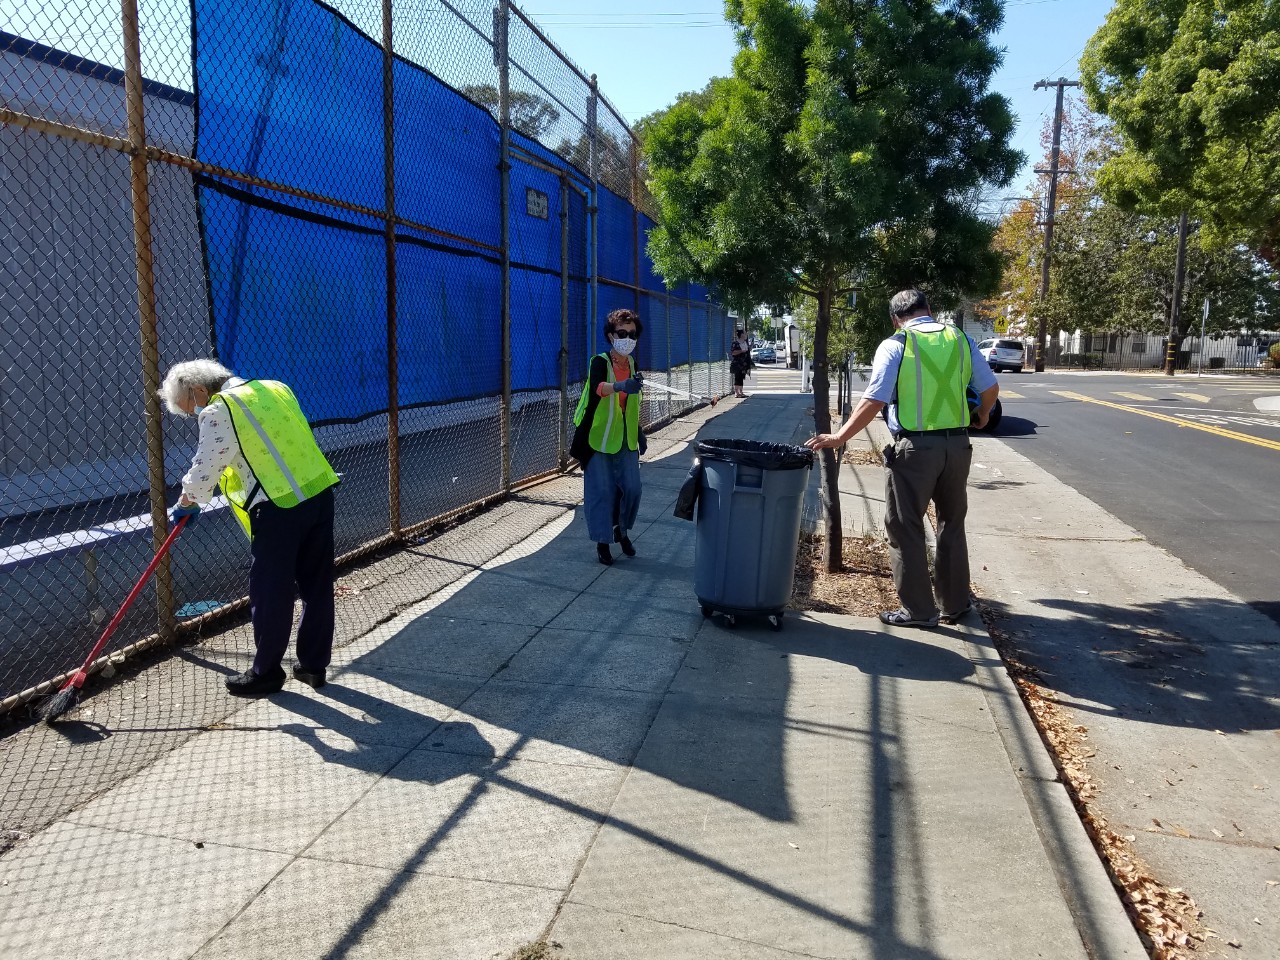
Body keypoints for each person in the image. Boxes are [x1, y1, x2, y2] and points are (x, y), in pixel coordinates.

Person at [805, 289, 999, 628]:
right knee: (951, 525)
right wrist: (981, 415)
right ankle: (955, 605)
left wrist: (839, 436)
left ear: (896, 318)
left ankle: (920, 612)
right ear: (930, 309)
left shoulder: (897, 343)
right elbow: (989, 388)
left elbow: (874, 399)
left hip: (915, 449)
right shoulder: (961, 340)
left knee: (904, 526)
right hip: (958, 446)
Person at [160, 359, 340, 696]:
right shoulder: (275, 387)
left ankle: (267, 672)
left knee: (271, 590)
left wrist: (187, 503)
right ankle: (314, 666)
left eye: (191, 405)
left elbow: (206, 465)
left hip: (277, 506)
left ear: (200, 388)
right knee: (317, 583)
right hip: (318, 492)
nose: (195, 412)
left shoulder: (219, 409)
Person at [571, 309, 644, 566]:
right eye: (622, 333)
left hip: (625, 439)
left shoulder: (633, 365)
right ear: (611, 335)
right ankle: (603, 542)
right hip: (598, 438)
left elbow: (631, 406)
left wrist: (639, 432)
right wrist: (622, 386)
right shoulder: (599, 361)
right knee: (602, 491)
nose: (628, 339)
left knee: (633, 489)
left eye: (632, 334)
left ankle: (621, 531)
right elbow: (599, 388)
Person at [730, 327, 752, 398]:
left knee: (742, 377)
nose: (746, 334)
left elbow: (747, 352)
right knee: (737, 377)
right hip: (737, 363)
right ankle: (736, 392)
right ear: (741, 334)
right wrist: (741, 351)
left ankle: (741, 392)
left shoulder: (745, 343)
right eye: (744, 333)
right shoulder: (735, 343)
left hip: (744, 364)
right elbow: (733, 353)